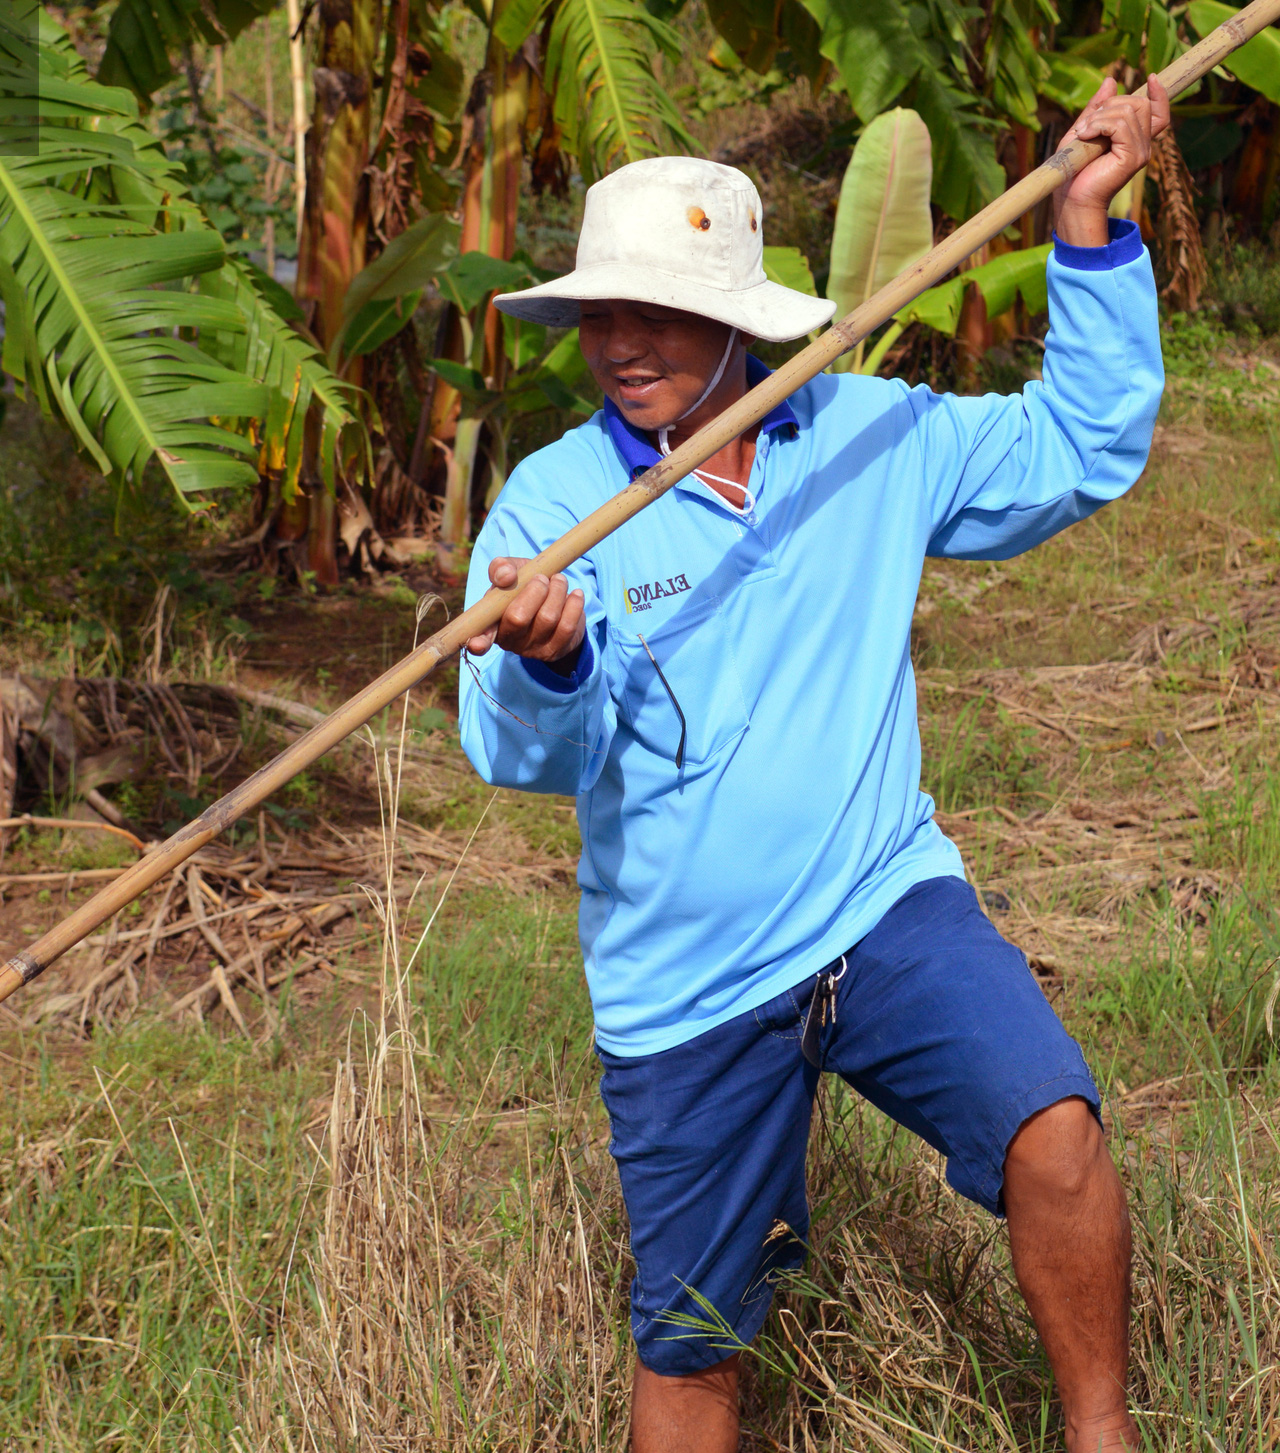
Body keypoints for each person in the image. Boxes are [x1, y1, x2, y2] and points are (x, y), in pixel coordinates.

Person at [458, 78, 1167, 1452]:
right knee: (696, 1344)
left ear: (735, 321)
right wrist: (551, 660)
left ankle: (1104, 1436)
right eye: (601, 314)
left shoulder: (868, 438)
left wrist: (1086, 228)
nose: (620, 343)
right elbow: (518, 748)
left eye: (656, 312)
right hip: (690, 975)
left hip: (879, 902)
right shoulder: (556, 506)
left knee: (1058, 1135)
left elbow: (1078, 450)